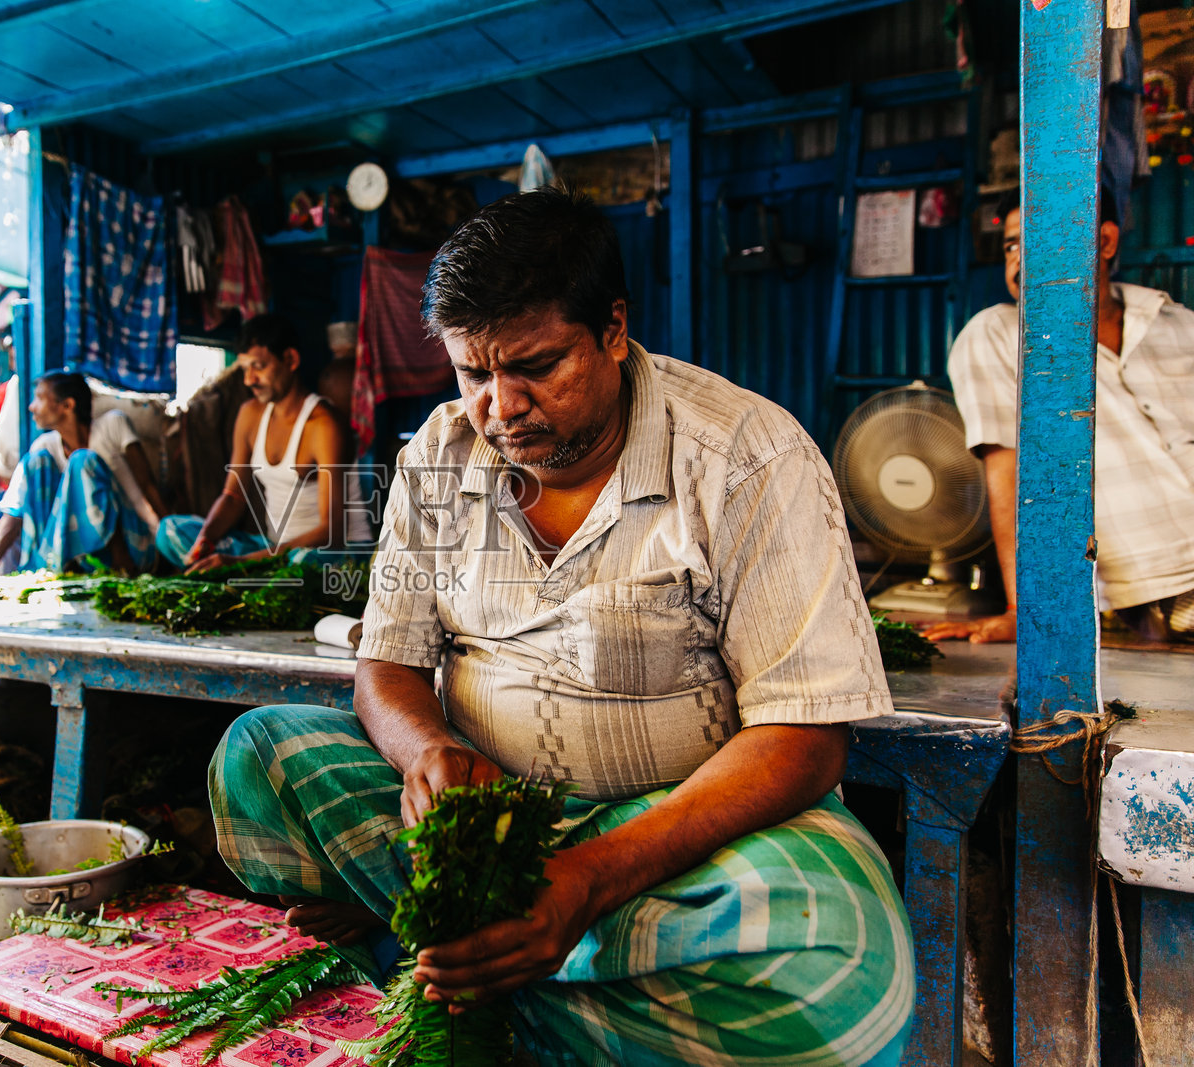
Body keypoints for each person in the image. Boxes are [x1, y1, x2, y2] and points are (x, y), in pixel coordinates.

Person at [209, 190, 913, 1066]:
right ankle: (532, 981)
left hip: (675, 836)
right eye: (473, 373)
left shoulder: (747, 455)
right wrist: (427, 750)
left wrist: (589, 876)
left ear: (613, 328)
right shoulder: (436, 454)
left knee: (840, 968)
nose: (501, 406)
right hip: (486, 821)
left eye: (537, 365)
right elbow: (384, 665)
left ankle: (448, 975)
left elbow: (806, 734)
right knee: (259, 755)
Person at [927, 191, 1194, 643]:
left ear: (1105, 242)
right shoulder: (999, 334)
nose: (1018, 260)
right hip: (1162, 585)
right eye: (1012, 246)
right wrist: (1022, 608)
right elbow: (1009, 472)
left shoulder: (1179, 324)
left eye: (1039, 240)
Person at [155, 314, 374, 572]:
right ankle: (249, 571)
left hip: (333, 554)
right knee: (170, 532)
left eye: (258, 366)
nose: (249, 380)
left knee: (301, 563)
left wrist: (242, 563)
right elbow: (233, 495)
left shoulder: (323, 424)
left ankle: (246, 573)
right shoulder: (250, 414)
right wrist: (206, 539)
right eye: (245, 369)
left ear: (290, 360)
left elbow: (332, 533)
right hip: (276, 549)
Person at [0, 370, 166, 574]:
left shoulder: (113, 424)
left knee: (82, 461)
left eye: (40, 398)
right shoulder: (44, 447)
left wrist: (167, 539)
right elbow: (14, 510)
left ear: (68, 406)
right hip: (67, 560)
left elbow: (148, 486)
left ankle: (120, 566)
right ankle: (50, 567)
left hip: (131, 548)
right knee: (36, 461)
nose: (32, 407)